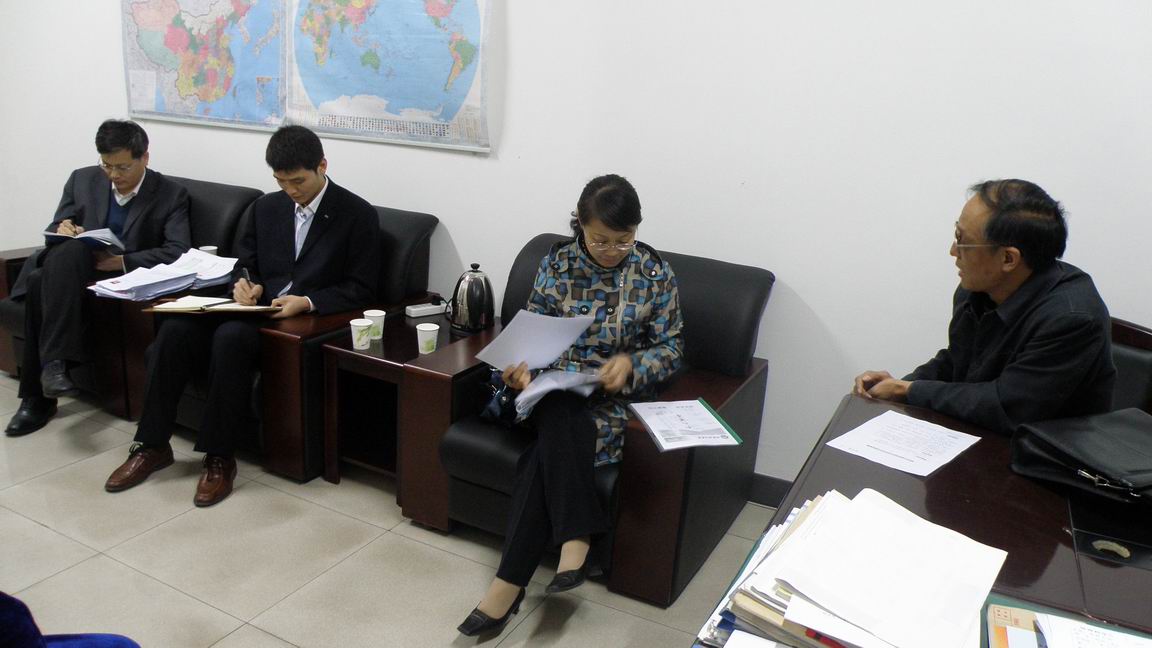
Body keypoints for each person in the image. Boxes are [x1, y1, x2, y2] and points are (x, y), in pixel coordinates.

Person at [103, 125, 381, 507]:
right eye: (281, 181)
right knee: (175, 330)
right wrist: (245, 284)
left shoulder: (356, 214)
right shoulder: (267, 207)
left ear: (322, 166)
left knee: (230, 338)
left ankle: (219, 458)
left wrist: (307, 301)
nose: (290, 190)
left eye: (298, 181)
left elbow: (362, 287)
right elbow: (243, 263)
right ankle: (151, 445)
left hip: (298, 320)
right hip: (252, 307)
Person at [457, 174, 684, 637]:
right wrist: (519, 370)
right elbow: (530, 334)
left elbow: (672, 347)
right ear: (580, 223)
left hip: (613, 401)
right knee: (560, 406)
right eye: (601, 239)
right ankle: (577, 535)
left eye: (624, 239)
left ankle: (506, 587)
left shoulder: (654, 273)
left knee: (544, 455)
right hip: (551, 391)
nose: (612, 250)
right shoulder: (557, 265)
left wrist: (632, 364)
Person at [853, 179, 1115, 433]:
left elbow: (1006, 406)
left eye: (962, 240)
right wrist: (897, 385)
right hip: (979, 433)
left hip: (1044, 452)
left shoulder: (1072, 319)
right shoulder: (976, 291)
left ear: (1008, 259)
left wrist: (908, 390)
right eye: (956, 233)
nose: (953, 251)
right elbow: (958, 361)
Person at [5, 119, 190, 437]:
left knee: (38, 283)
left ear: (144, 158)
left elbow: (177, 250)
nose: (114, 175)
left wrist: (122, 261)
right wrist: (64, 228)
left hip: (119, 276)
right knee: (68, 254)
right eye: (107, 166)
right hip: (73, 268)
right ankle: (54, 368)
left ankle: (38, 397)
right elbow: (56, 227)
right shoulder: (82, 179)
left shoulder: (170, 194)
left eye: (123, 167)